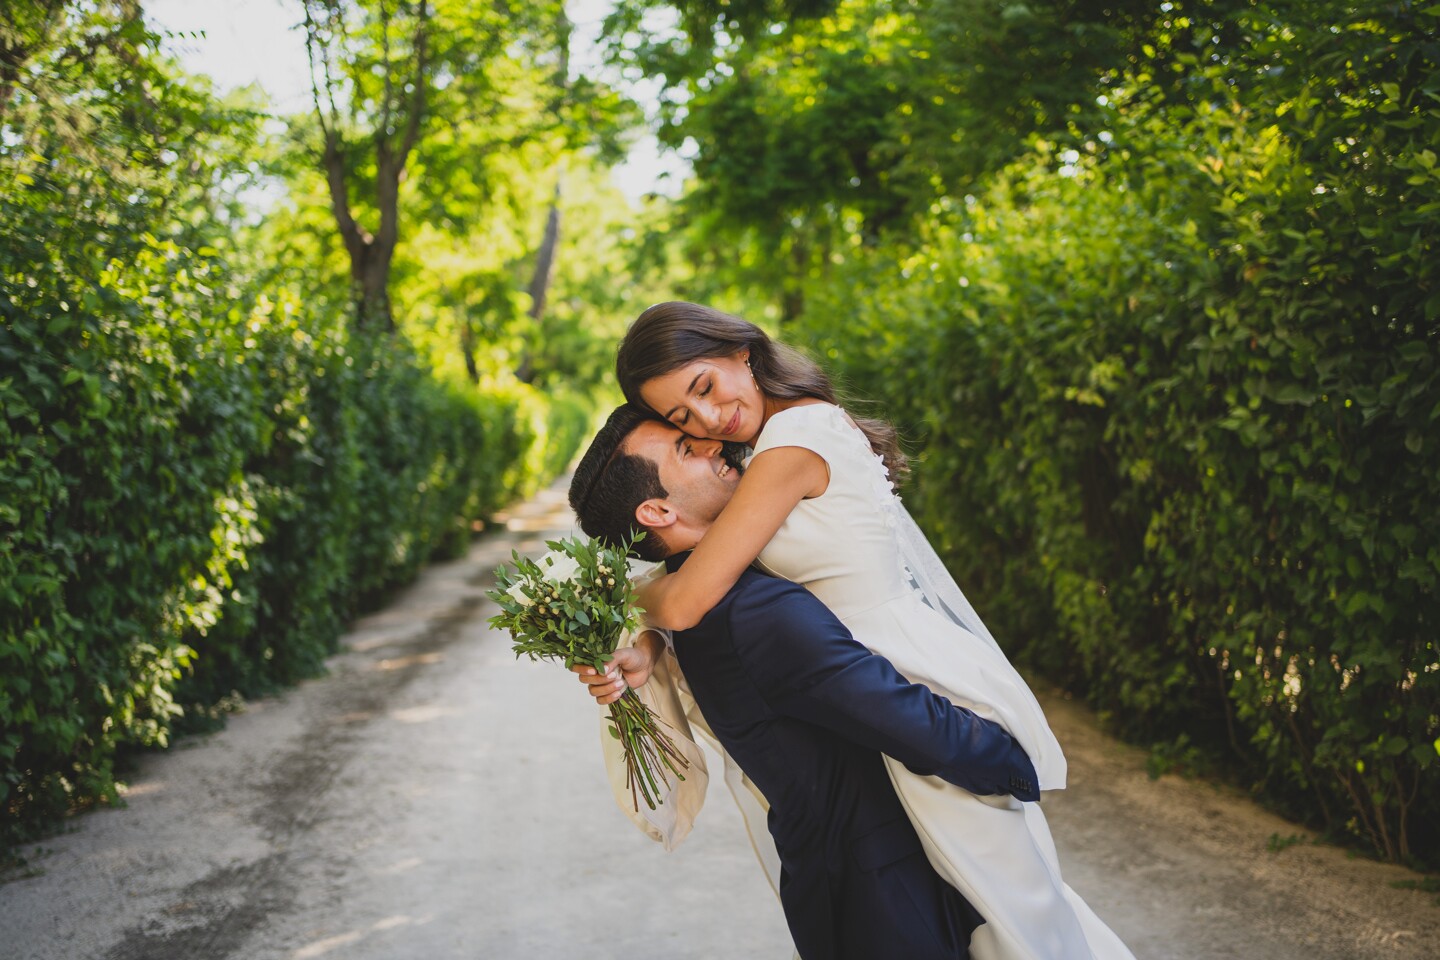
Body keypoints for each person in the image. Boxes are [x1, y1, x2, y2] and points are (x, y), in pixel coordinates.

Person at [591, 301, 1135, 960]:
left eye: (704, 389)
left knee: (1015, 912)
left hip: (915, 677)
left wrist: (627, 599)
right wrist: (646, 640)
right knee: (993, 913)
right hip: (880, 683)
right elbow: (706, 578)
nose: (708, 421)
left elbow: (689, 597)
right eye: (682, 420)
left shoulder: (794, 442)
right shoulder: (761, 449)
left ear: (741, 350)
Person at [567, 405, 1042, 959]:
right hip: (883, 896)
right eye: (685, 450)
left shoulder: (698, 602)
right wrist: (1016, 762)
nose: (712, 444)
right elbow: (907, 719)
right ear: (656, 510)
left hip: (845, 881)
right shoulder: (753, 611)